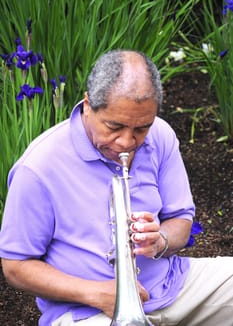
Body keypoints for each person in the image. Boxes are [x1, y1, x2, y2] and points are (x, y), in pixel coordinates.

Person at [0, 49, 232, 326]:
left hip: (172, 286)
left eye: (141, 128)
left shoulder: (161, 134)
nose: (127, 142)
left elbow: (181, 219)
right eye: (114, 126)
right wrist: (96, 293)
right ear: (88, 105)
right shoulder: (38, 168)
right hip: (88, 311)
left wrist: (161, 241)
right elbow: (15, 267)